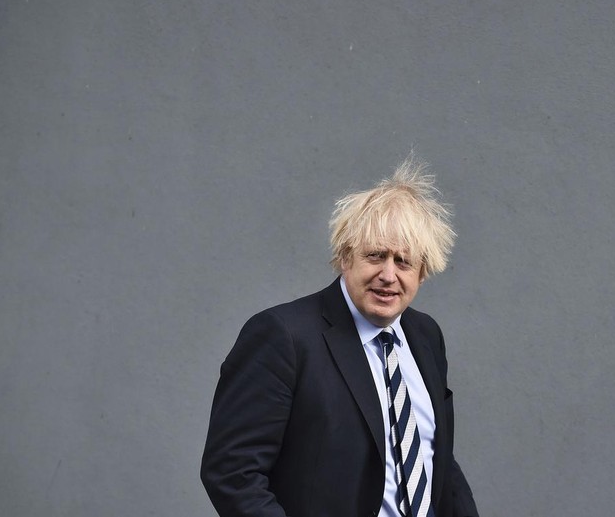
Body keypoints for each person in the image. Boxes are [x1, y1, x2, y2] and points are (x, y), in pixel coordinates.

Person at [200, 159, 480, 517]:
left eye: (403, 261)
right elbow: (232, 472)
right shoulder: (283, 336)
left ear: (423, 272)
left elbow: (433, 456)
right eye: (375, 255)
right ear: (345, 257)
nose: (388, 275)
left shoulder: (425, 336)